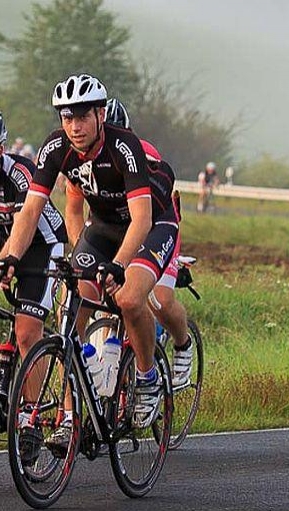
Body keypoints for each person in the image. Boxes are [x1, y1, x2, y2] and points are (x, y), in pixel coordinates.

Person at [0, 74, 179, 450]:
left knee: (129, 298)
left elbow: (142, 219)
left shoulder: (123, 147)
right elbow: (31, 210)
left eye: (82, 117)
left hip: (150, 225)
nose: (74, 127)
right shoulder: (55, 148)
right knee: (70, 313)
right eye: (67, 118)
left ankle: (146, 378)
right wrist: (12, 256)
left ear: (100, 114)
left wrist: (118, 266)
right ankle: (70, 418)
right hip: (104, 228)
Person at [104, 98, 194, 387]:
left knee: (160, 299)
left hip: (158, 226)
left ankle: (183, 344)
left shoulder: (142, 154)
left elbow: (147, 217)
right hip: (124, 230)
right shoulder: (85, 157)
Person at [0, 113, 68, 458]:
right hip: (6, 246)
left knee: (27, 332)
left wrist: (6, 258)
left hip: (41, 247)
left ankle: (30, 415)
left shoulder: (19, 172)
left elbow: (23, 226)